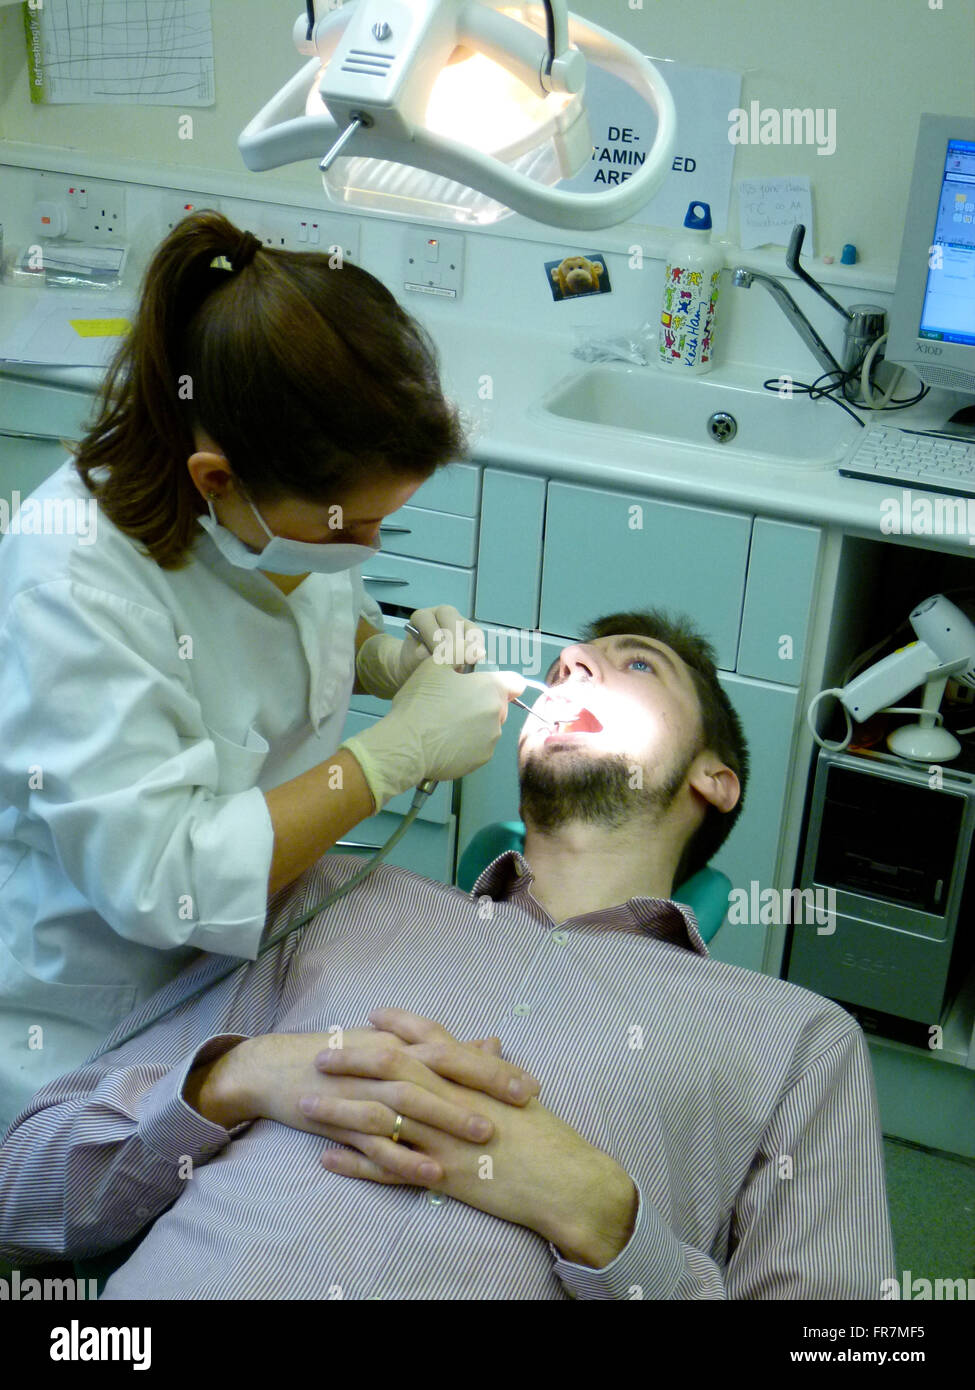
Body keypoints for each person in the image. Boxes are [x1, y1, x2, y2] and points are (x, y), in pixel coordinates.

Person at [0, 610, 896, 1299]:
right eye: (567, 662)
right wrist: (233, 1080)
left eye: (633, 663)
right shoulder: (333, 895)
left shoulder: (797, 1038)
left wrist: (606, 1221)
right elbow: (20, 1183)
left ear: (713, 778)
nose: (574, 664)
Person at [0, 211, 524, 1129]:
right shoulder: (73, 587)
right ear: (216, 479)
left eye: (383, 522)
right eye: (350, 528)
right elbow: (167, 883)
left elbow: (308, 608)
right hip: (91, 1028)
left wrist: (381, 654)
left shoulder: (276, 501)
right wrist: (386, 761)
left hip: (252, 974)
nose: (364, 546)